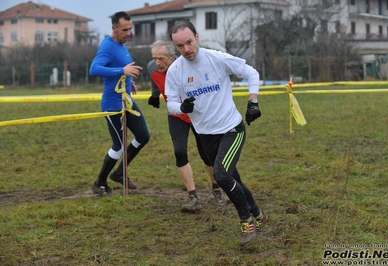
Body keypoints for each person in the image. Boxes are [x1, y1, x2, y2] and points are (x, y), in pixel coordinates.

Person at [165, 20, 267, 246]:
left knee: (221, 175)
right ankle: (259, 214)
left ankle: (246, 219)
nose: (186, 50)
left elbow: (251, 73)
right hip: (205, 135)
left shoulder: (217, 58)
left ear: (197, 37)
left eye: (189, 43)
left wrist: (253, 102)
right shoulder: (175, 71)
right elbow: (170, 102)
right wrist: (181, 108)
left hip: (231, 129)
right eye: (180, 46)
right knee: (233, 178)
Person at [147, 40, 226, 212]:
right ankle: (193, 196)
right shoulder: (152, 67)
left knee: (206, 154)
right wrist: (154, 94)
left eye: (161, 58)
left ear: (172, 57)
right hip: (176, 115)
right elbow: (155, 79)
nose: (157, 63)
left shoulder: (186, 67)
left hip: (198, 114)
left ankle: (217, 188)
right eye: (154, 58)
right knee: (179, 152)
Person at [89, 11, 150, 196]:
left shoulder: (122, 45)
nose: (128, 33)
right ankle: (99, 182)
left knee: (143, 136)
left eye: (130, 29)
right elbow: (94, 69)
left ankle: (119, 172)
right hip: (112, 104)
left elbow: (120, 71)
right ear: (114, 28)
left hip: (126, 100)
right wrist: (122, 70)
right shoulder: (107, 46)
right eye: (124, 30)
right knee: (119, 145)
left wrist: (127, 80)